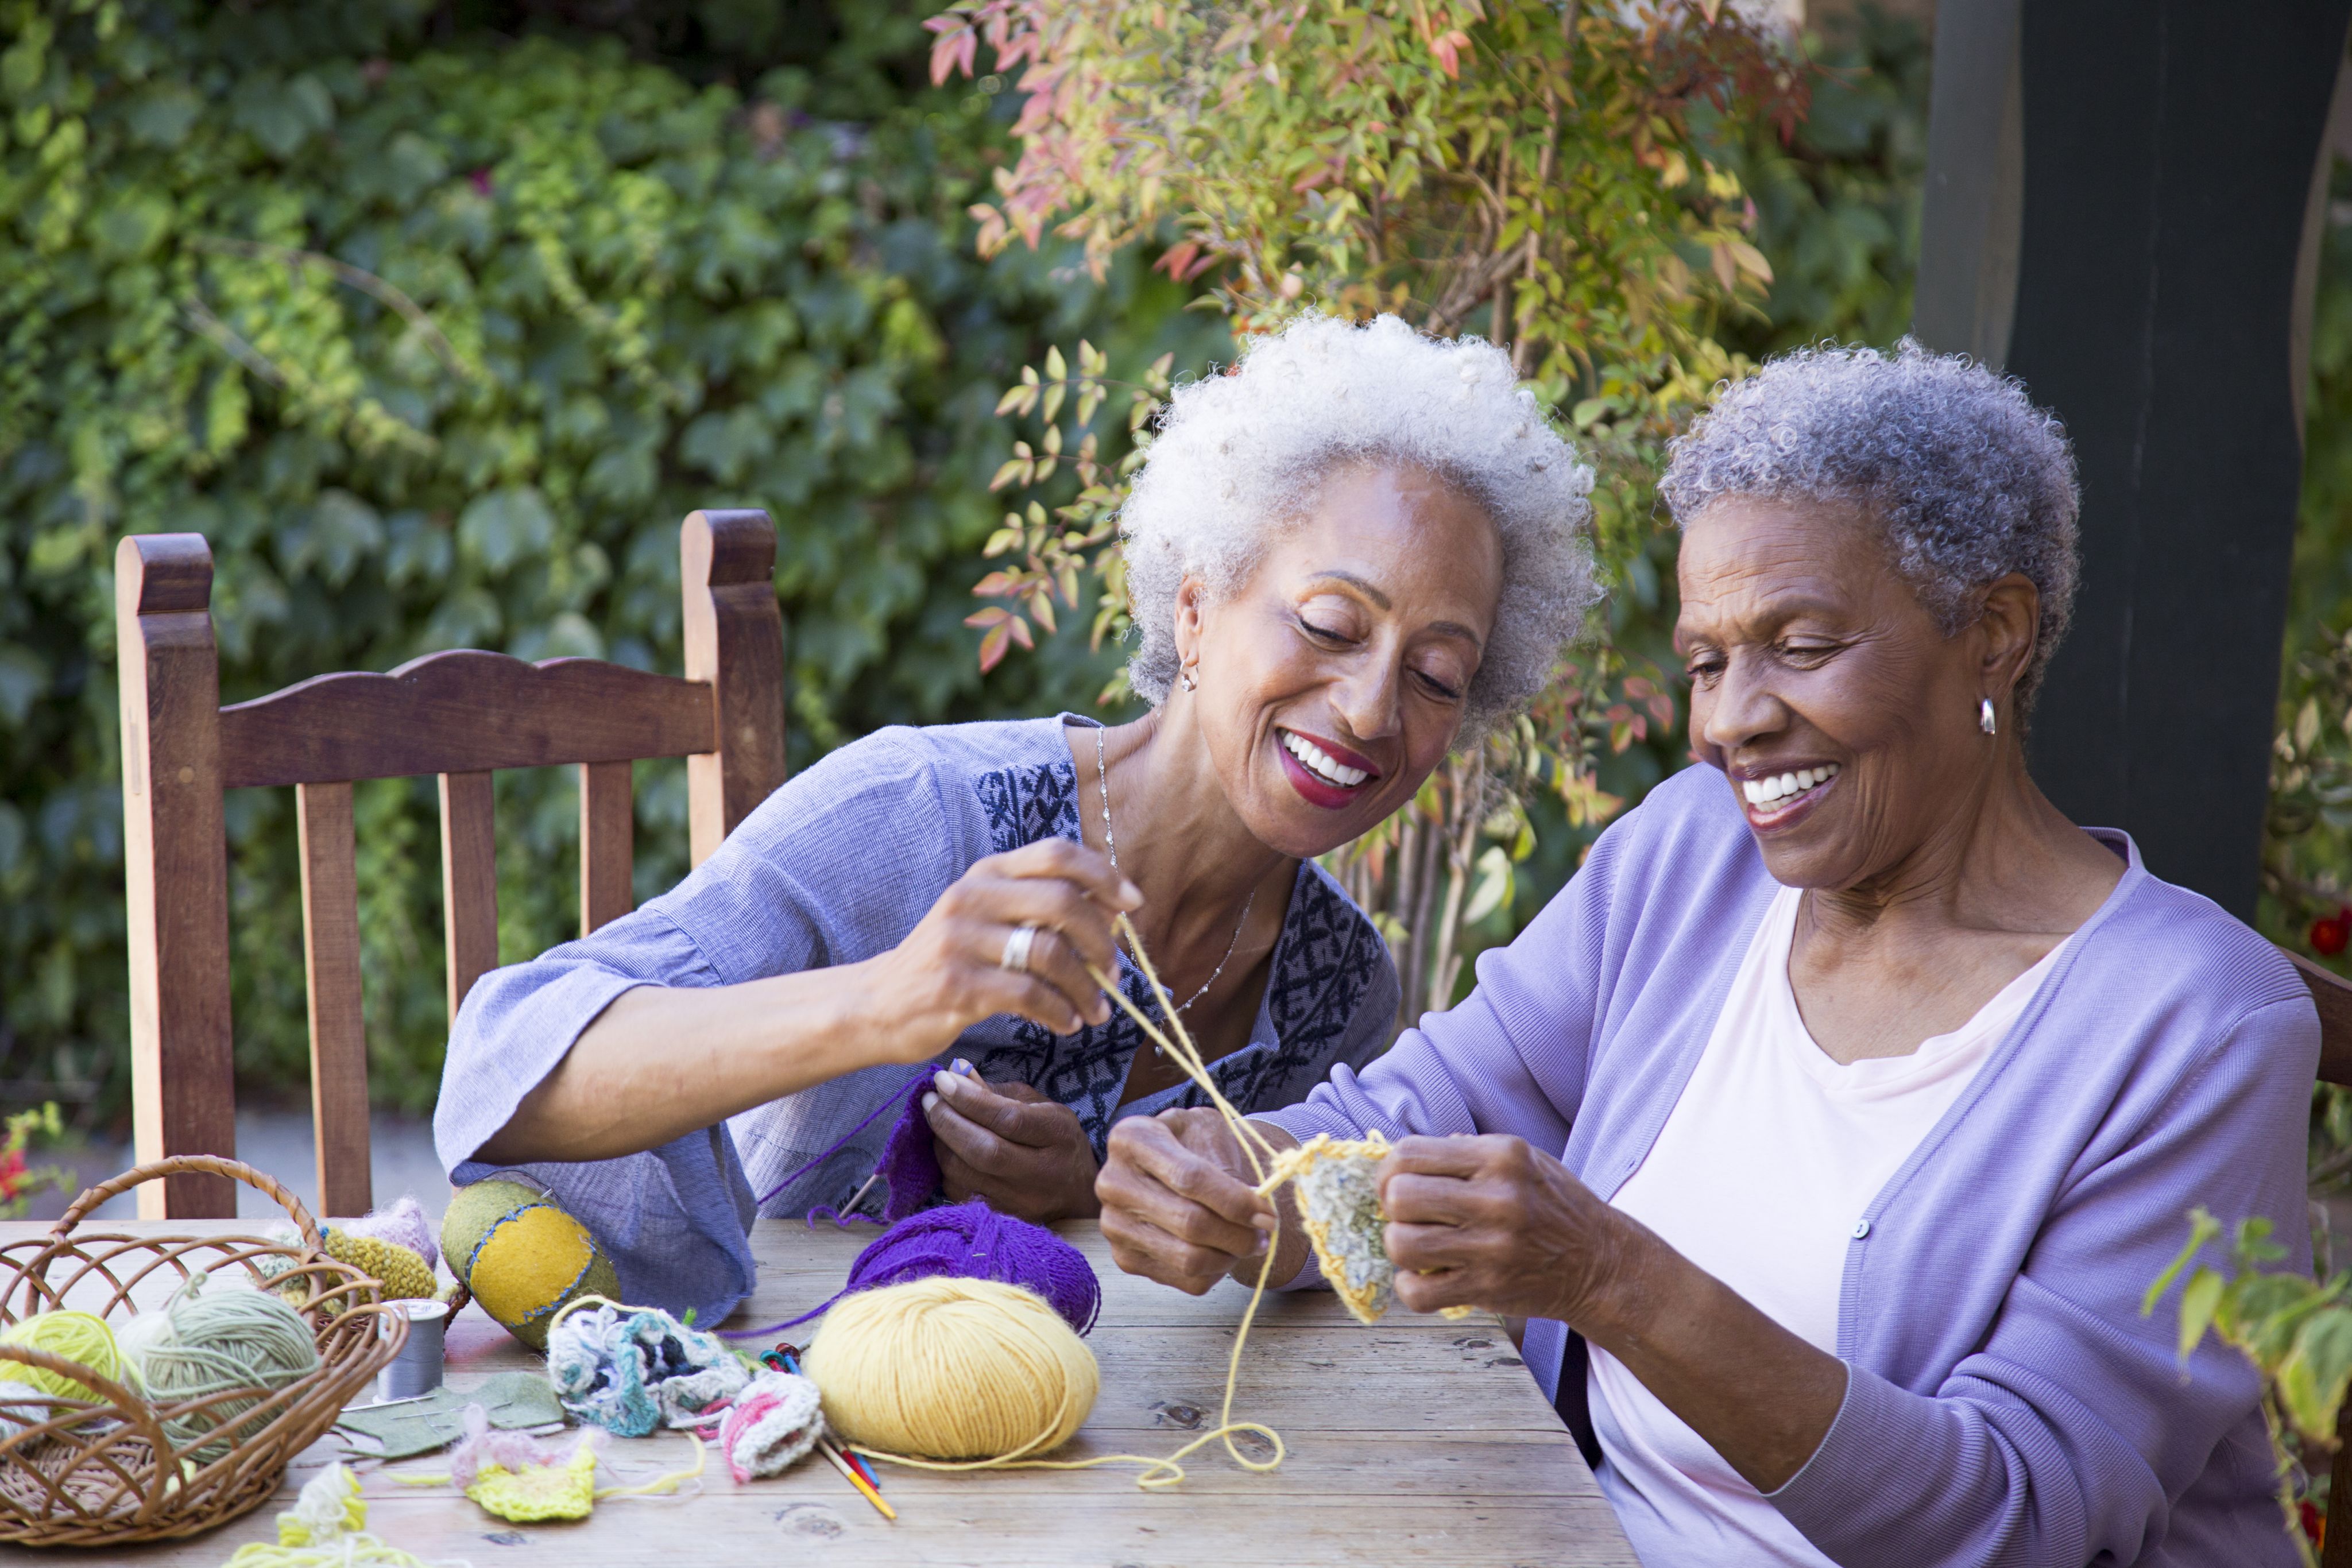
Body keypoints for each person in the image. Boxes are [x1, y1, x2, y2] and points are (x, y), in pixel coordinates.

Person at [1096, 342, 2319, 1567]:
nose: (1732, 718)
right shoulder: (1694, 856)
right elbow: (1405, 1119)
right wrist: (1241, 1186)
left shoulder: (2195, 1026)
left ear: (1991, 633)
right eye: (1705, 659)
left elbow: (2012, 1518)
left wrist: (1614, 1277)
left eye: (1798, 644)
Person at [432, 313, 1599, 1323]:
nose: (1367, 707)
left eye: (1437, 673)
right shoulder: (918, 817)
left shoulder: (1340, 985)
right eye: (1331, 625)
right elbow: (504, 1070)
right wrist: (893, 1000)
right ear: (1195, 611)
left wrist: (1088, 1183)